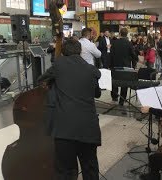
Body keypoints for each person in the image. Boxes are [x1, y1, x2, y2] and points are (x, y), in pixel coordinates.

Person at [38, 39, 102, 180]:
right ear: (80, 51)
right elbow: (97, 93)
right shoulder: (92, 70)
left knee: (64, 171)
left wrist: (53, 84)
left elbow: (41, 79)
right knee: (90, 168)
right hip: (88, 128)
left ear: (63, 52)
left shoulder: (59, 65)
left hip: (64, 130)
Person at [110, 27, 138, 105]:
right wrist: (136, 59)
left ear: (120, 34)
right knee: (124, 83)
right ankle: (122, 100)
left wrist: (110, 65)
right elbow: (133, 55)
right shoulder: (129, 43)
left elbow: (111, 55)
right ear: (127, 34)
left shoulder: (115, 42)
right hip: (126, 66)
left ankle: (114, 96)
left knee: (115, 82)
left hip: (115, 66)